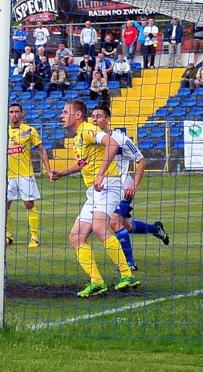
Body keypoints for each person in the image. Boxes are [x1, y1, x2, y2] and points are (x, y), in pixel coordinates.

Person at [48, 99, 137, 297]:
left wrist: (101, 173)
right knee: (76, 237)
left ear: (77, 114)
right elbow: (83, 163)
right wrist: (62, 172)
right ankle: (97, 281)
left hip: (109, 184)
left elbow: (112, 144)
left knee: (98, 228)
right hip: (96, 191)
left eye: (65, 112)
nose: (61, 116)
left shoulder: (88, 129)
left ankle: (127, 274)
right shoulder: (78, 136)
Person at [92, 106, 169, 271]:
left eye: (98, 116)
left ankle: (129, 263)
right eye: (92, 116)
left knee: (113, 221)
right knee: (124, 225)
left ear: (108, 119)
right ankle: (154, 229)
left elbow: (141, 161)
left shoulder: (122, 139)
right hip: (104, 189)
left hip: (122, 187)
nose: (94, 120)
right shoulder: (91, 140)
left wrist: (134, 184)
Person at [5, 104, 50, 248]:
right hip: (8, 175)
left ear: (21, 114)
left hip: (25, 174)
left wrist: (48, 170)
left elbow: (41, 150)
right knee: (5, 205)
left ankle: (34, 237)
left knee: (29, 204)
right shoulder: (3, 131)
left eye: (17, 112)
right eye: (11, 112)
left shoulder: (30, 130)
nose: (14, 115)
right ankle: (8, 235)